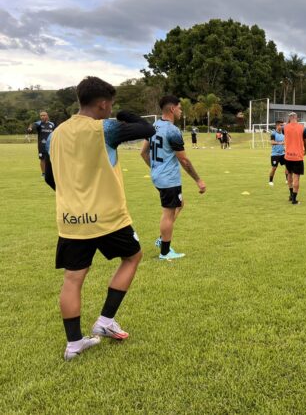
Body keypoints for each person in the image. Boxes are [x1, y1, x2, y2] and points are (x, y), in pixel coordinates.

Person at [44, 76, 155, 361]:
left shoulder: (55, 133)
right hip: (108, 218)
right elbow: (147, 128)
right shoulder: (104, 128)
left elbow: (49, 177)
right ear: (104, 104)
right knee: (132, 257)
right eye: (111, 106)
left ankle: (73, 344)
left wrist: (74, 197)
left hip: (70, 220)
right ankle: (105, 320)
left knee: (73, 280)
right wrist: (122, 114)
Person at [141, 95, 207, 259]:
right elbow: (183, 159)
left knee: (179, 203)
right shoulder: (172, 131)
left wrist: (156, 168)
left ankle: (162, 239)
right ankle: (165, 251)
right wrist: (198, 180)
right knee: (168, 213)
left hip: (157, 176)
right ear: (172, 109)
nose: (180, 110)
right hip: (168, 179)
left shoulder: (153, 126)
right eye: (179, 107)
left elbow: (143, 153)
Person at [284, 112, 306, 204]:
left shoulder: (285, 127)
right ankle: (294, 199)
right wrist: (305, 150)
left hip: (288, 156)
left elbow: (285, 131)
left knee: (289, 175)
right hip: (298, 157)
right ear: (297, 117)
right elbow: (305, 141)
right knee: (296, 177)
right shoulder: (302, 128)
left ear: (289, 118)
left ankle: (290, 195)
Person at [28, 111, 55, 176]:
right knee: (42, 159)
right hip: (42, 145)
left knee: (52, 159)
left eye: (44, 115)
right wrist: (30, 128)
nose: (42, 117)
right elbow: (33, 124)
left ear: (47, 116)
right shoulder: (39, 123)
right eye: (41, 116)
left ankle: (52, 172)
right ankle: (43, 173)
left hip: (51, 145)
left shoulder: (52, 124)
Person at [269, 121, 286, 186]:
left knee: (287, 166)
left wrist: (285, 148)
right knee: (274, 168)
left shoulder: (283, 134)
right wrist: (280, 143)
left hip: (282, 154)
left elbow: (284, 143)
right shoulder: (273, 134)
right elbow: (272, 142)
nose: (282, 126)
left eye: (283, 125)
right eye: (281, 125)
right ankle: (270, 181)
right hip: (275, 154)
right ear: (277, 126)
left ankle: (287, 179)